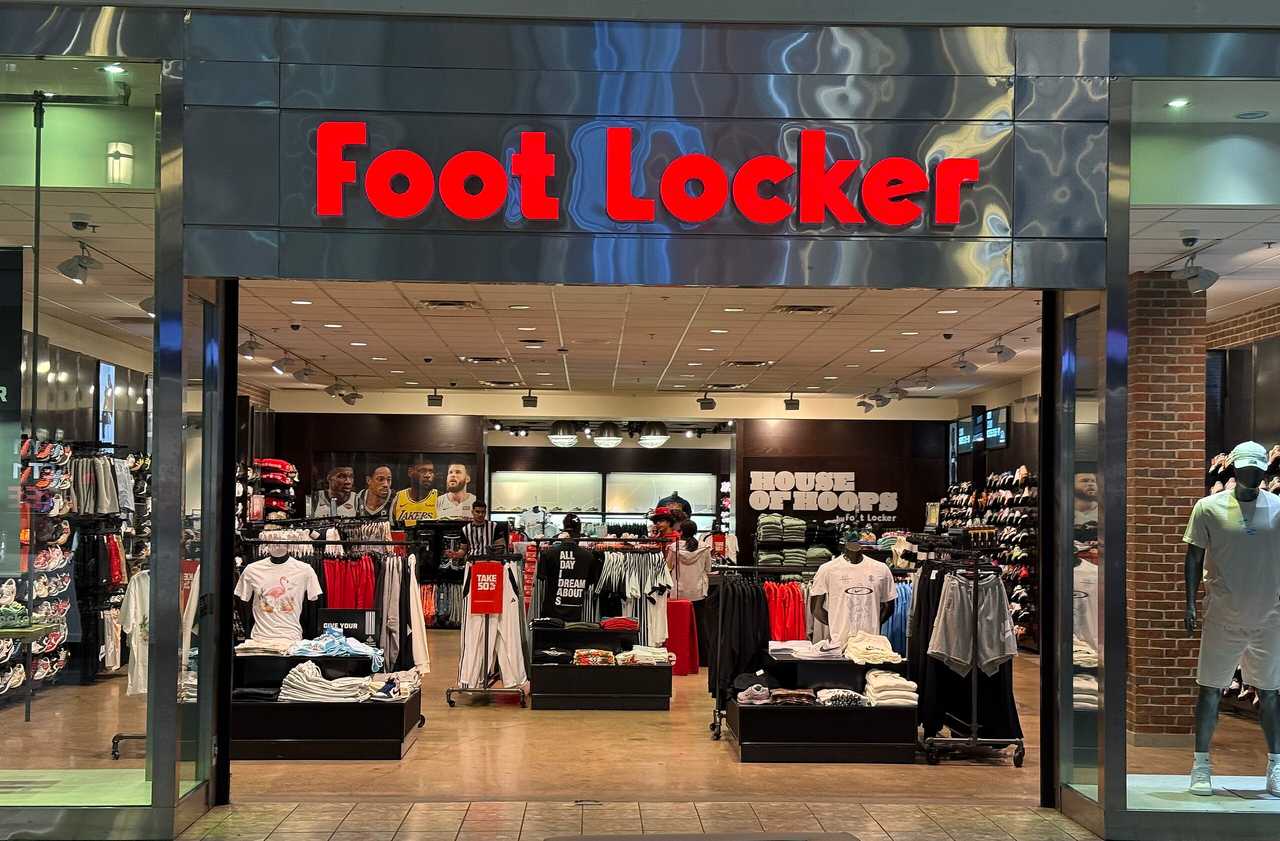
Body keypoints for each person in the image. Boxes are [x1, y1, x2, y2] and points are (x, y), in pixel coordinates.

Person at [673, 520, 713, 663]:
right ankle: (702, 658)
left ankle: (679, 656)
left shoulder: (674, 547)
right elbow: (708, 569)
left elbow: (669, 566)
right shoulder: (704, 547)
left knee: (679, 625)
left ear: (681, 532)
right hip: (698, 590)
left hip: (679, 591)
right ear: (695, 532)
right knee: (700, 625)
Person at [390, 459, 438, 527]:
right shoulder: (398, 497)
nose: (427, 475)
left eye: (431, 471)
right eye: (422, 471)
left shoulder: (438, 498)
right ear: (410, 472)